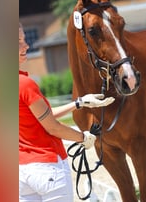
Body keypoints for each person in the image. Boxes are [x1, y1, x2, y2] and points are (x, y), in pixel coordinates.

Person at [19, 23, 115, 202]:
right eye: (18, 42)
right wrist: (83, 138)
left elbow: (41, 116)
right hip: (47, 167)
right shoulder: (25, 84)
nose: (26, 46)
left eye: (24, 40)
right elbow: (52, 127)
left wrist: (79, 103)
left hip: (21, 173)